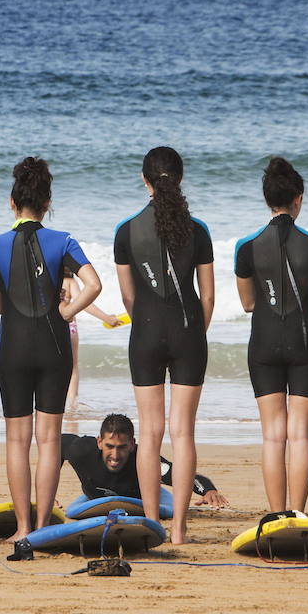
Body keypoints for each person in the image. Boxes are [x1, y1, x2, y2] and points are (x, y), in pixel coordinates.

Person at [0, 157, 103, 540]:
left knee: (17, 440)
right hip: (54, 345)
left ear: (11, 201)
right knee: (49, 439)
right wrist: (65, 310)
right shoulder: (64, 241)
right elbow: (95, 285)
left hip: (14, 348)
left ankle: (21, 527)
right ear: (47, 202)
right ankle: (40, 528)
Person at [113, 146, 214, 544]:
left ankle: (153, 523)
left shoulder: (126, 230)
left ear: (145, 180)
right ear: (180, 178)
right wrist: (193, 333)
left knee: (151, 433)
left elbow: (128, 297)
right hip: (189, 330)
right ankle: (179, 530)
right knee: (183, 432)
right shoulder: (198, 229)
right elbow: (207, 297)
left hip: (147, 333)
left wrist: (148, 326)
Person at [234, 156, 308, 514]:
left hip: (264, 341)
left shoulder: (246, 247)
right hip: (307, 341)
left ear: (266, 199)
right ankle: (299, 513)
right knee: (301, 435)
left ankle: (276, 516)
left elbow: (247, 303)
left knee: (273, 436)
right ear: (298, 198)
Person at [59, 414, 227, 507]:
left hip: (140, 499)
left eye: (122, 447)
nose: (115, 455)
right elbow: (55, 444)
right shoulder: (81, 451)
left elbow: (180, 475)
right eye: (110, 446)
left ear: (132, 444)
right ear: (99, 442)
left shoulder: (144, 459)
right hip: (92, 499)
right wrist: (50, 494)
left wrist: (208, 490)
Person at [59, 272, 123, 414]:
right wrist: (106, 317)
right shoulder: (69, 282)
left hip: (49, 328)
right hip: (70, 328)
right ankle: (72, 402)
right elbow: (86, 305)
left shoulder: (48, 279)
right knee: (73, 366)